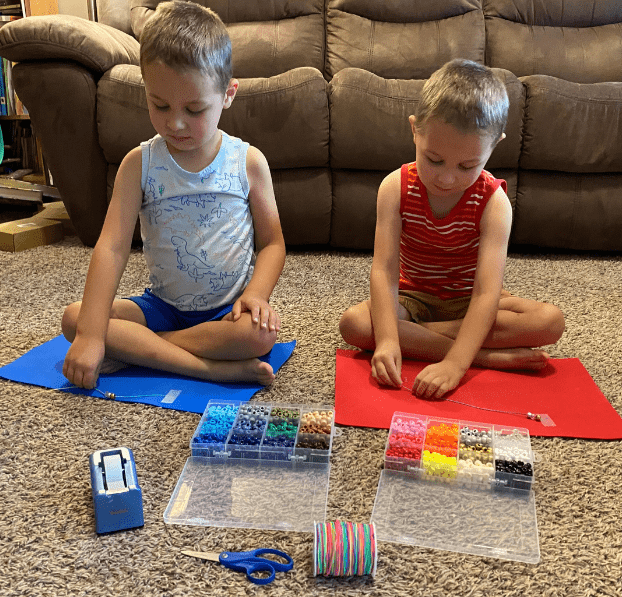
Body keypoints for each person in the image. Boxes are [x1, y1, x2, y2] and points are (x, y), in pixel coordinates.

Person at [61, 0, 286, 390]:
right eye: (159, 105)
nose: (175, 122)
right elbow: (112, 247)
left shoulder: (248, 162)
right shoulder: (139, 164)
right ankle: (208, 368)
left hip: (226, 314)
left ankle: (146, 350)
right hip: (161, 308)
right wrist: (91, 336)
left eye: (195, 109)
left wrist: (257, 294)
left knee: (260, 334)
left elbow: (273, 243)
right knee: (75, 319)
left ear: (228, 94)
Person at [339, 59, 565, 400]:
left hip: (469, 300)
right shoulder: (394, 187)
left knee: (550, 321)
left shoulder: (494, 203)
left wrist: (456, 365)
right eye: (434, 159)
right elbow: (384, 271)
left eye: (467, 166)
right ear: (415, 129)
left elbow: (487, 294)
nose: (447, 178)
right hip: (413, 295)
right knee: (354, 324)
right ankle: (486, 357)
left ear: (495, 145)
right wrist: (387, 340)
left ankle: (432, 341)